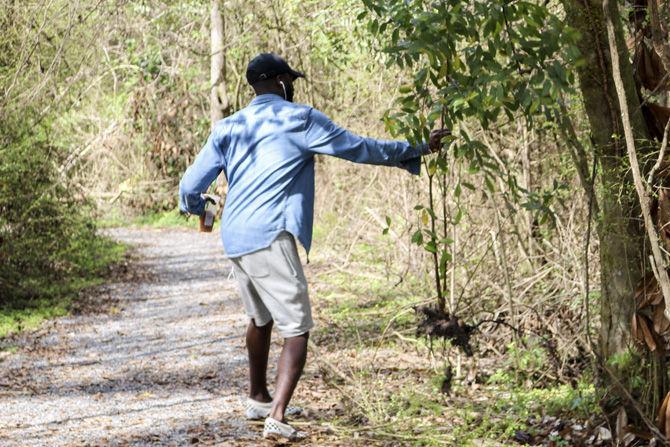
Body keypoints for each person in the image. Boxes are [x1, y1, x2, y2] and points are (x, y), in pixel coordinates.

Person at [179, 52, 449, 441]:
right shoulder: (300, 119)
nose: (294, 87)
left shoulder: (229, 127)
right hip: (272, 234)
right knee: (297, 327)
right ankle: (277, 414)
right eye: (290, 80)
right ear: (277, 82)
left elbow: (190, 188)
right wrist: (417, 148)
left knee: (260, 318)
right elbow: (360, 148)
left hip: (235, 237)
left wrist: (199, 209)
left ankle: (257, 396)